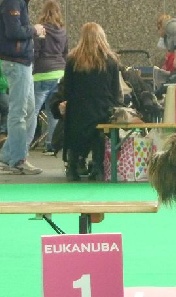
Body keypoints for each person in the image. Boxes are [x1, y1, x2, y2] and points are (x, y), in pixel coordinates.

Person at [62, 22, 122, 181]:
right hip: (102, 111)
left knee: (73, 119)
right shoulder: (111, 61)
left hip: (78, 114)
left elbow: (66, 90)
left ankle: (73, 166)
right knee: (100, 129)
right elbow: (116, 92)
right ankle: (97, 166)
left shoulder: (72, 60)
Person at [0, 0, 45, 175]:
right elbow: (13, 32)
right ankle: (18, 159)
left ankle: (8, 154)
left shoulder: (18, 3)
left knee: (28, 109)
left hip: (21, 62)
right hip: (16, 63)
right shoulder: (13, 2)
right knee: (19, 112)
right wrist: (34, 30)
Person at [27, 0, 67, 156]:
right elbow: (65, 53)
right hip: (60, 73)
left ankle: (24, 145)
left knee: (33, 111)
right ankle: (52, 144)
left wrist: (31, 68)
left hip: (42, 73)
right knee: (53, 112)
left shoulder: (41, 31)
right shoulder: (63, 31)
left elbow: (35, 52)